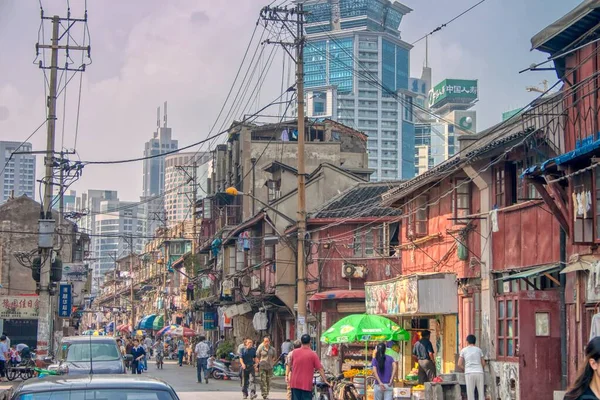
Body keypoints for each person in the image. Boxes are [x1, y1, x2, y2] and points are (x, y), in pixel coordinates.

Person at [289, 334, 327, 400]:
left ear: (301, 342)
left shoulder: (294, 352)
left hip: (294, 383)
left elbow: (290, 364)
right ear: (310, 342)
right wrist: (325, 380)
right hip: (305, 384)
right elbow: (320, 369)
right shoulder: (313, 354)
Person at [458, 335, 486, 400]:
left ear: (467, 341)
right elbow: (483, 363)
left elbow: (459, 364)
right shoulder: (479, 350)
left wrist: (465, 369)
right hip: (479, 372)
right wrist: (480, 368)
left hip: (469, 373)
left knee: (470, 394)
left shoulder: (463, 350)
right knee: (481, 393)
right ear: (474, 342)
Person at [256, 335, 277, 400]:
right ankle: (264, 394)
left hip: (270, 367)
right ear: (263, 342)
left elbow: (274, 357)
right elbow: (257, 356)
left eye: (267, 341)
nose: (266, 343)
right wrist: (257, 365)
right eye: (265, 341)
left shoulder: (272, 349)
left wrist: (272, 362)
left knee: (268, 381)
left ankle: (266, 393)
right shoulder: (260, 348)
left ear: (269, 342)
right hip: (262, 366)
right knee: (263, 381)